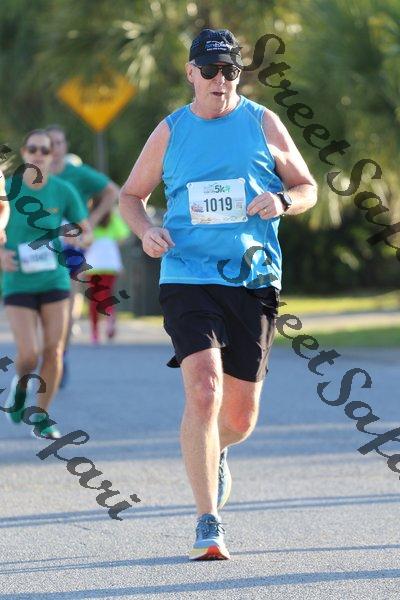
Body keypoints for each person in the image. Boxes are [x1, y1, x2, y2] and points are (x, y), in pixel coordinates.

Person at [120, 28, 318, 560]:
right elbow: (131, 196)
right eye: (209, 70)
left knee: (238, 420)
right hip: (187, 275)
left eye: (229, 70)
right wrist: (146, 231)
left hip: (253, 278)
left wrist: (283, 201)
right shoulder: (171, 130)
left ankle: (214, 449)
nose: (219, 79)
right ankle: (208, 521)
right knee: (204, 391)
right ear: (191, 73)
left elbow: (307, 187)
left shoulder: (262, 122)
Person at [0, 129, 90, 439]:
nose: (38, 154)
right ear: (24, 153)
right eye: (33, 149)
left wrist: (76, 236)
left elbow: (85, 230)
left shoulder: (63, 190)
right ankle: (20, 387)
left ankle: (42, 416)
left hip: (54, 279)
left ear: (53, 156)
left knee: (54, 351)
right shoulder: (7, 189)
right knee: (29, 355)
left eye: (45, 150)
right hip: (18, 281)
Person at [46, 125, 119, 384]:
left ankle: (60, 355)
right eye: (49, 144)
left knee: (66, 302)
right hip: (40, 248)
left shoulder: (77, 174)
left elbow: (112, 191)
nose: (54, 149)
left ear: (65, 146)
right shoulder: (34, 176)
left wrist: (91, 221)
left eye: (59, 143)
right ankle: (47, 350)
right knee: (44, 305)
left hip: (71, 247)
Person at [84, 202, 130, 343]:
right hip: (110, 261)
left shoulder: (88, 217)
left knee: (94, 297)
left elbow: (83, 237)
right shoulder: (112, 217)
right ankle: (109, 313)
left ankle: (94, 333)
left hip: (93, 262)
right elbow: (124, 235)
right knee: (106, 293)